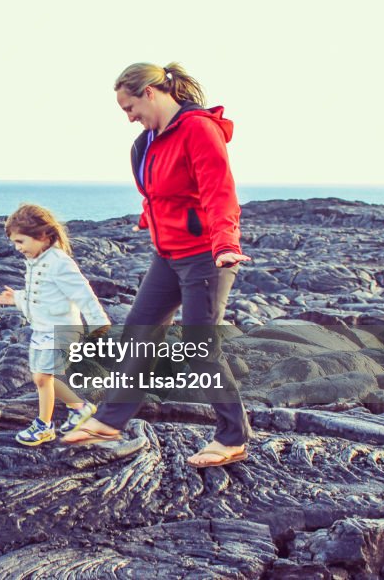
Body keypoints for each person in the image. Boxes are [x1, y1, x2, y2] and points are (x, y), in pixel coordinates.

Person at [62, 62, 253, 468]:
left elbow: (219, 192)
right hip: (169, 255)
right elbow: (158, 194)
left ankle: (232, 437)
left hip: (206, 255)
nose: (128, 117)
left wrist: (225, 244)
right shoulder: (148, 140)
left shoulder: (198, 129)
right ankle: (110, 420)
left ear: (150, 92)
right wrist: (152, 222)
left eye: (129, 107)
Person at [0, 203, 111, 446]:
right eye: (15, 242)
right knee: (47, 378)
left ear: (43, 236)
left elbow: (83, 294)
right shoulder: (36, 260)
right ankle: (80, 408)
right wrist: (15, 298)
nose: (17, 248)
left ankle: (43, 426)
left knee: (42, 378)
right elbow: (39, 294)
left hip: (62, 330)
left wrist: (99, 322)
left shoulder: (59, 262)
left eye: (20, 241)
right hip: (42, 329)